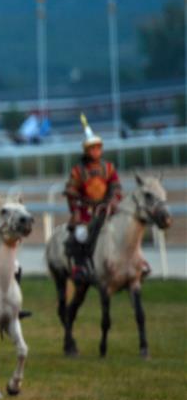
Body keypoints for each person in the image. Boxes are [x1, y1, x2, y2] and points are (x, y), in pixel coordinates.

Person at [63, 114, 123, 284]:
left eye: (98, 148)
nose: (96, 151)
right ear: (86, 151)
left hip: (106, 210)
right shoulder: (78, 171)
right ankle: (80, 267)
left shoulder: (109, 168)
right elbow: (71, 192)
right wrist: (75, 212)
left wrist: (112, 202)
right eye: (92, 148)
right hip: (86, 212)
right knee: (80, 235)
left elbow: (116, 187)